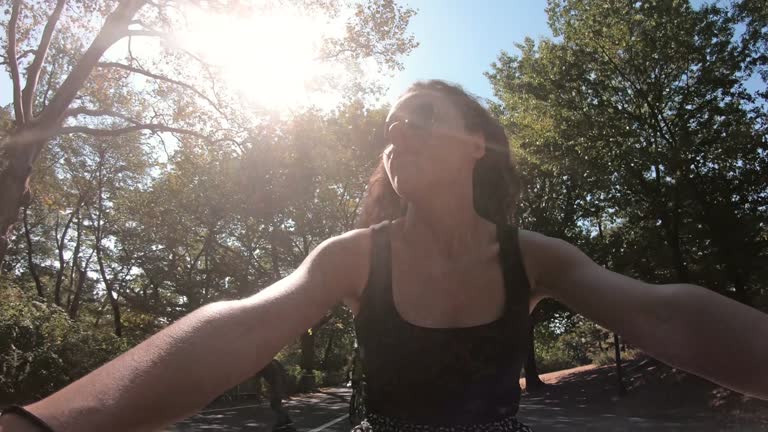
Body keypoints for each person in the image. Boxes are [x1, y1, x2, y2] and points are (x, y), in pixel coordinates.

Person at [1, 80, 767, 432]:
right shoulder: (351, 259)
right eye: (391, 125)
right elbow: (238, 327)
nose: (397, 134)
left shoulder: (537, 258)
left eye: (421, 119)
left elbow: (667, 312)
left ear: (477, 145)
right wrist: (45, 423)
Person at [254, 360, 294, 431]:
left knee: (274, 404)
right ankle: (287, 419)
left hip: (276, 382)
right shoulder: (272, 360)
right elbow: (283, 370)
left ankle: (282, 421)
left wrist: (258, 394)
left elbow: (257, 381)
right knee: (277, 402)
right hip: (282, 380)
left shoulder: (259, 363)